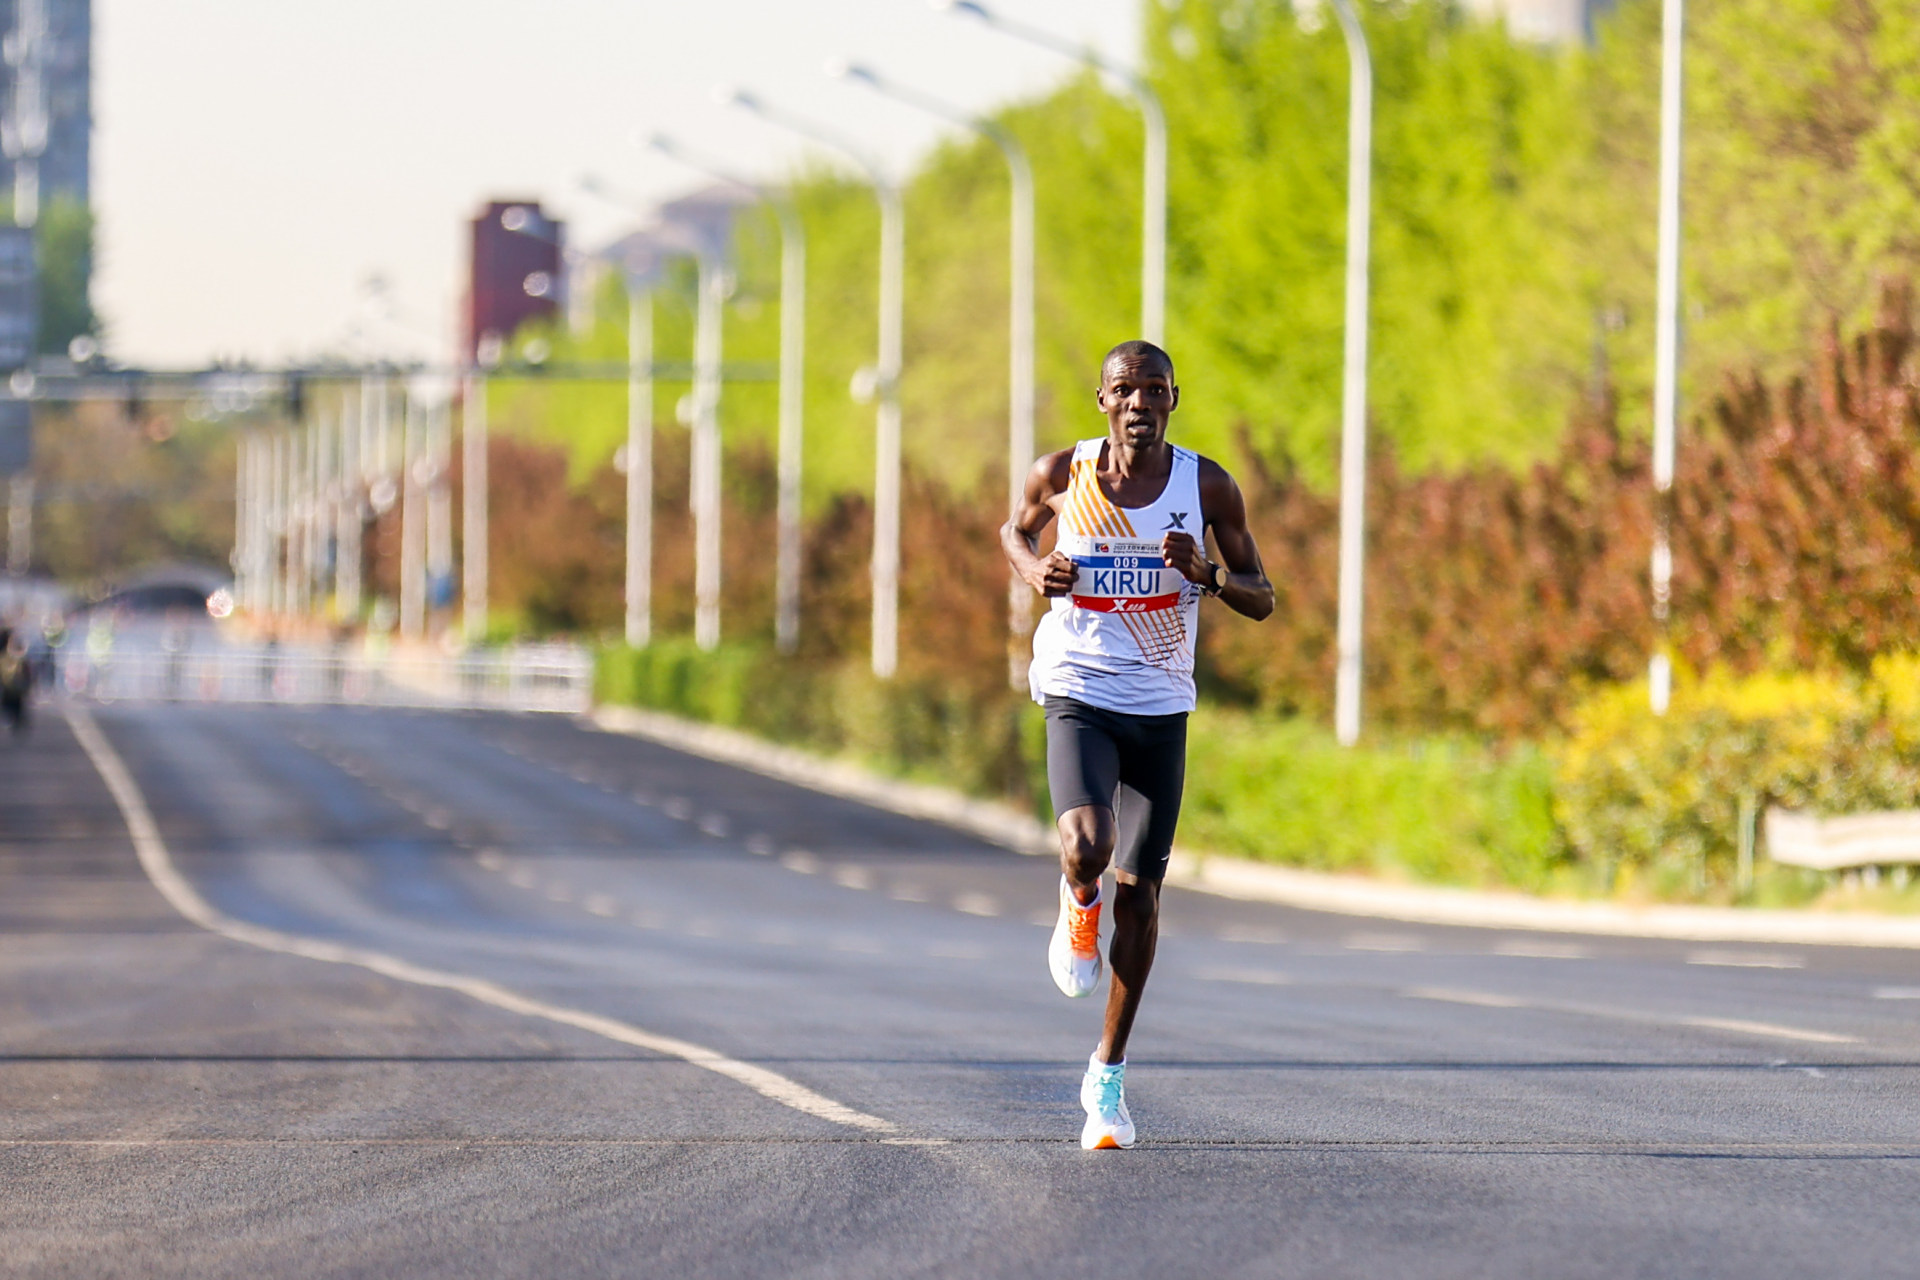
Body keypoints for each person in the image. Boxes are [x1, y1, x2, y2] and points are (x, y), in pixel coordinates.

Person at [1001, 340, 1273, 1150]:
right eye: (1125, 390)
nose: (1139, 404)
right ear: (1103, 401)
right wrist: (1034, 570)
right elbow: (1012, 533)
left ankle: (1107, 1078)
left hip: (1160, 703)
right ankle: (1076, 902)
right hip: (1080, 687)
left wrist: (1210, 577)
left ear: (1173, 401)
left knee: (1145, 898)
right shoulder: (1064, 474)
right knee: (1087, 844)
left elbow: (1264, 597)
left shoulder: (1207, 485)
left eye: (1154, 390)